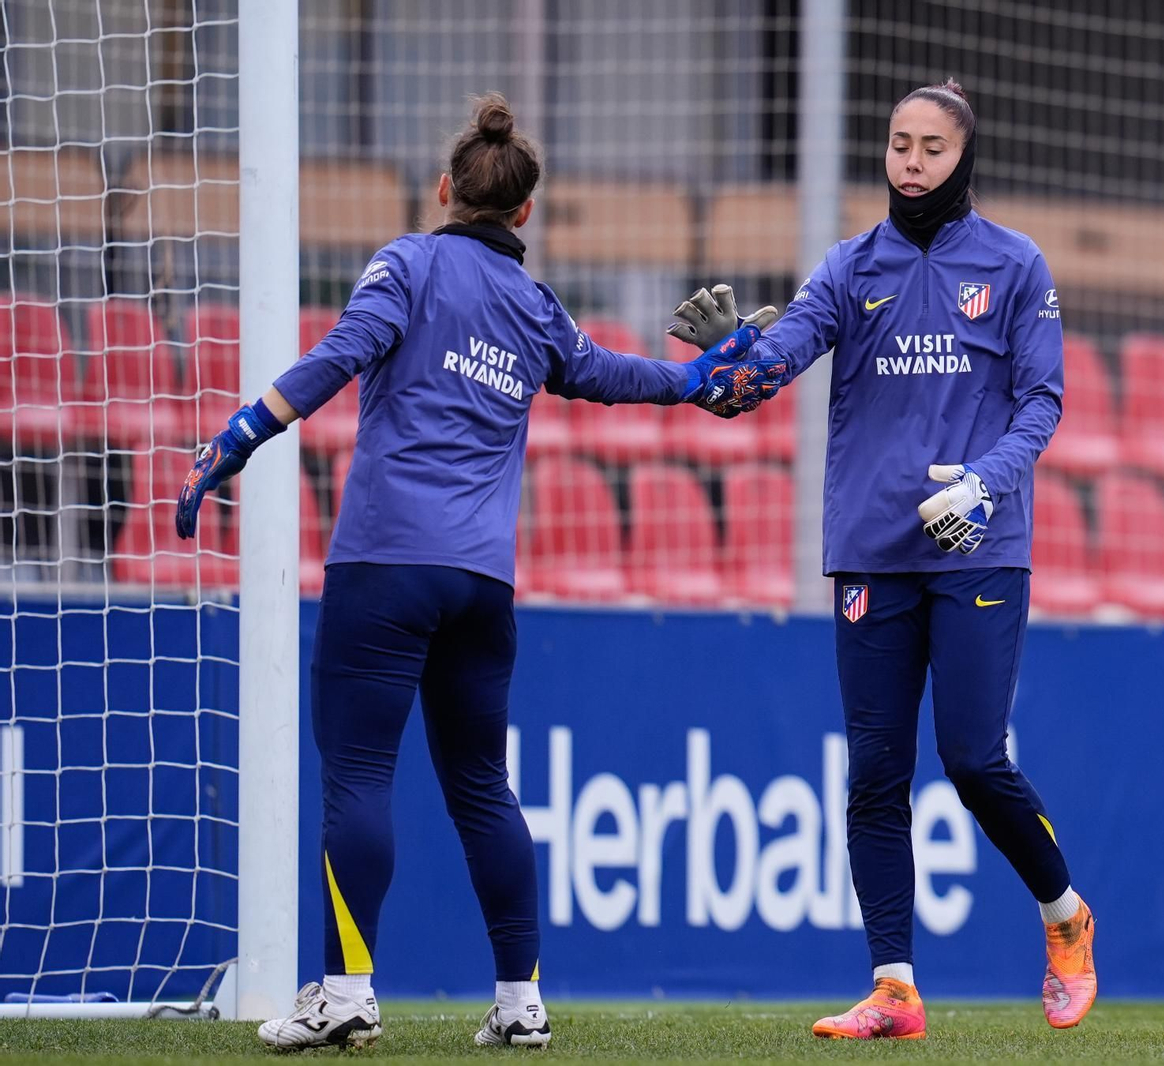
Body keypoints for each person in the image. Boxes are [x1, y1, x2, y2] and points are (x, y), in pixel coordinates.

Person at [175, 93, 783, 1051]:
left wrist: (243, 433)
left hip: (384, 564)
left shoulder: (408, 264)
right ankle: (520, 1001)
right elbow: (613, 374)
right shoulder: (535, 308)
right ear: (525, 214)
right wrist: (704, 380)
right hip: (482, 586)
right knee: (482, 786)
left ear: (446, 188)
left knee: (359, 775)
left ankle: (346, 993)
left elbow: (342, 354)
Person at [671, 79, 1093, 1039]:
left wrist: (984, 483)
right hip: (871, 550)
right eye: (899, 144)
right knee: (874, 772)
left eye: (930, 147)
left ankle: (1065, 918)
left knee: (974, 758)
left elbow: (1043, 403)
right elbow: (767, 372)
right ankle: (894, 989)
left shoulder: (1017, 265)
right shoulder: (848, 266)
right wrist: (727, 356)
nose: (910, 162)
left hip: (978, 543)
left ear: (963, 156)